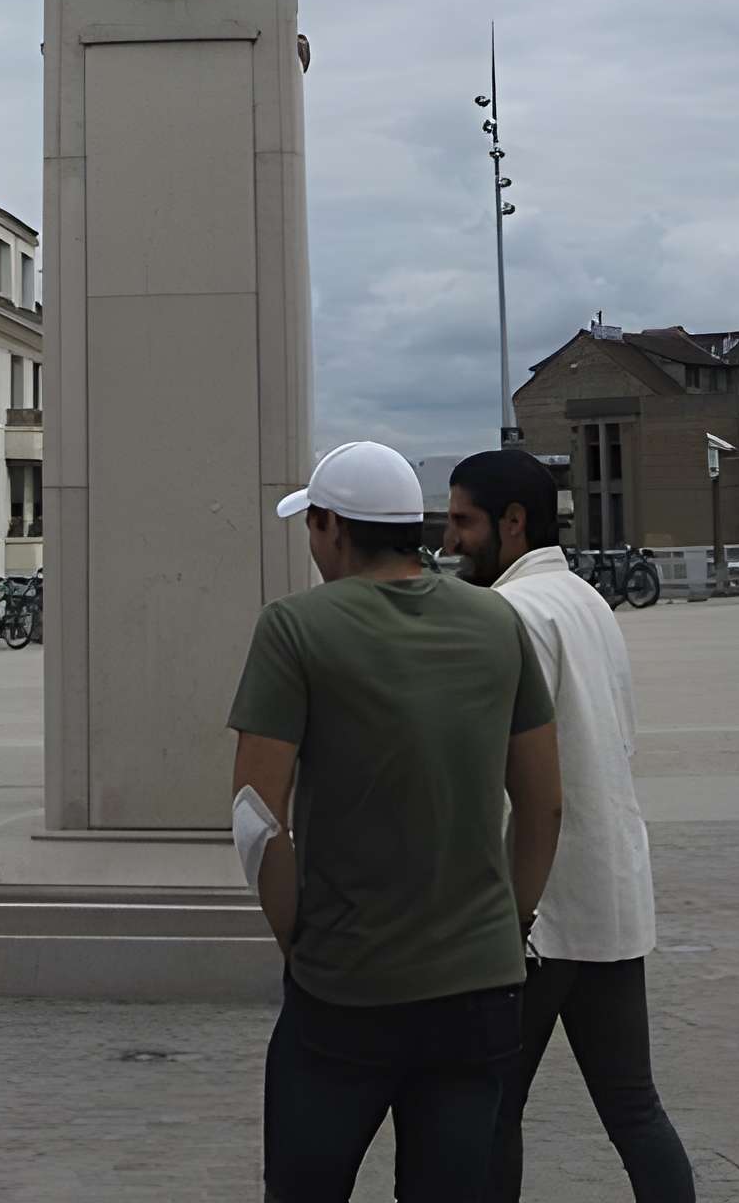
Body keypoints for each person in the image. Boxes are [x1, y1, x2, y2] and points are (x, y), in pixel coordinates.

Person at [228, 439, 563, 1203]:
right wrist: (505, 926)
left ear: (332, 528)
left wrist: (298, 940)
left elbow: (255, 818)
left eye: (310, 529)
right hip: (478, 990)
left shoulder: (293, 628)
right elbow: (543, 805)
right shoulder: (495, 623)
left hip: (345, 989)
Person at [444, 448, 695, 1203]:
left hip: (536, 913)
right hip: (612, 895)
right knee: (634, 1109)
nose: (450, 540)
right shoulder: (586, 600)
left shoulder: (508, 612)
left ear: (512, 523)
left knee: (490, 1108)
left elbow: (502, 778)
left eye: (464, 521)